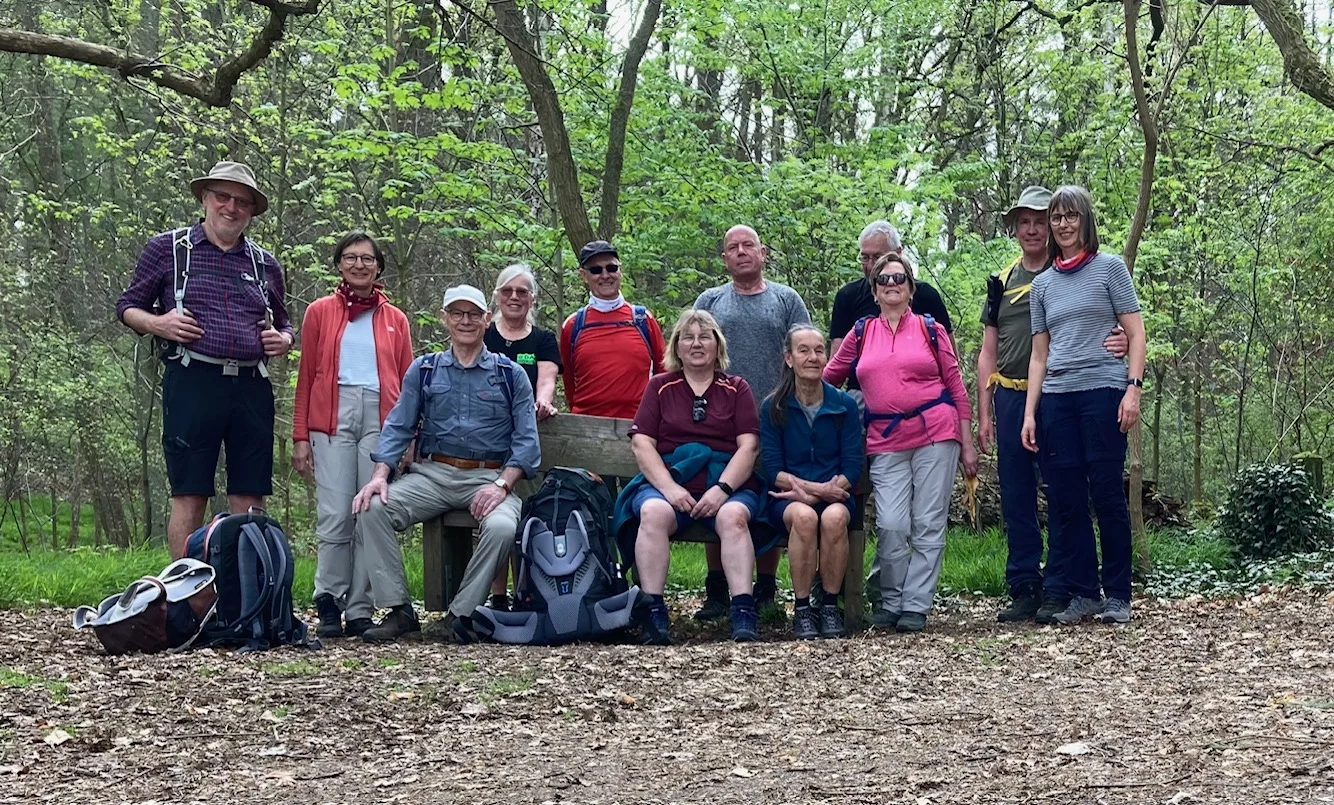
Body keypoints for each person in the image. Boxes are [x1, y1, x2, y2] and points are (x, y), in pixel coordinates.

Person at [116, 161, 294, 559]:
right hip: (192, 379)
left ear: (252, 211)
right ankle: (184, 599)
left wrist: (283, 339)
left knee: (250, 498)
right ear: (204, 198)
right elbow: (128, 307)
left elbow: (285, 324)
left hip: (251, 385)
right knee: (189, 493)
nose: (231, 208)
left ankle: (245, 598)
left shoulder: (265, 263)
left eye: (242, 202)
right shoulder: (167, 249)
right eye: (223, 197)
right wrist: (159, 323)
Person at [351, 285, 540, 644]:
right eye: (457, 313)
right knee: (371, 507)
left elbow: (527, 443)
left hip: (490, 477)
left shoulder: (510, 374)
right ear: (444, 319)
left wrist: (502, 485)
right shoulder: (424, 370)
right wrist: (380, 475)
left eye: (473, 314)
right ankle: (400, 611)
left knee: (502, 529)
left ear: (487, 319)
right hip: (432, 475)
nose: (465, 321)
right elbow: (398, 426)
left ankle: (460, 615)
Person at [978, 186, 1128, 624]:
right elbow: (988, 348)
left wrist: (1121, 352)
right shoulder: (1003, 281)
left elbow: (1126, 328)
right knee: (1019, 494)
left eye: (1041, 221)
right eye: (1024, 222)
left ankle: (1062, 585)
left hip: (1071, 393)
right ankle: (1026, 584)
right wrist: (984, 409)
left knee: (1069, 493)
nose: (1034, 229)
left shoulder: (1089, 270)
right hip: (1014, 394)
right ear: (1015, 228)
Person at [824, 252, 978, 633]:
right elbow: (827, 379)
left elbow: (956, 385)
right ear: (874, 291)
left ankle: (915, 604)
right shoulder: (861, 332)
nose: (891, 286)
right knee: (892, 522)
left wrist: (968, 440)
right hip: (885, 437)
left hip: (936, 433)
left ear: (911, 288)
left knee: (927, 522)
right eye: (883, 280)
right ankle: (890, 600)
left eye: (899, 279)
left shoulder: (930, 329)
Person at [1021, 185, 1147, 626]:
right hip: (1057, 400)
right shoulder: (1042, 286)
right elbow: (1039, 354)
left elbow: (1135, 333)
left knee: (1107, 495)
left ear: (1084, 220)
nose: (1063, 224)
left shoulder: (1110, 269)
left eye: (1071, 216)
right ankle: (1084, 592)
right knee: (1066, 501)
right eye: (1056, 217)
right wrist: (1030, 412)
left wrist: (1133, 388)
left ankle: (1117, 595)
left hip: (1103, 394)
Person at [614, 310, 767, 645]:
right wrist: (669, 489)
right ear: (677, 347)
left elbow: (749, 445)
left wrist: (722, 489)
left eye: (705, 336)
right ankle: (653, 612)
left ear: (717, 345)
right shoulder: (660, 387)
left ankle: (742, 609)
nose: (696, 344)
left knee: (734, 517)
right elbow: (642, 443)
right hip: (669, 481)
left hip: (725, 481)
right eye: (688, 337)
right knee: (653, 513)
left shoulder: (736, 388)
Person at [291, 231, 415, 639]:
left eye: (367, 258)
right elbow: (307, 374)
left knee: (369, 512)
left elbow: (408, 383)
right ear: (339, 264)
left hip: (382, 419)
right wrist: (300, 436)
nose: (359, 264)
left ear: (379, 266)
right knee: (334, 512)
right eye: (350, 257)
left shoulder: (395, 318)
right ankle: (329, 598)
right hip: (331, 416)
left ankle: (360, 609)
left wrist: (410, 437)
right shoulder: (320, 311)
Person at [692, 224, 812, 620]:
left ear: (763, 254)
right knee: (719, 491)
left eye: (749, 246)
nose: (741, 252)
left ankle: (765, 588)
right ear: (724, 258)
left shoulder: (785, 299)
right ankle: (716, 588)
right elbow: (694, 349)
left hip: (777, 414)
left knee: (770, 496)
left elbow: (804, 350)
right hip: (720, 416)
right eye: (733, 247)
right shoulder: (710, 300)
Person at [759, 324, 863, 639]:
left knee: (833, 518)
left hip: (837, 495)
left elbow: (853, 466)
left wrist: (826, 494)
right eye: (803, 350)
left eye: (819, 350)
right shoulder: (773, 406)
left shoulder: (843, 404)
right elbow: (772, 468)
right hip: (787, 499)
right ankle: (802, 609)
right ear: (789, 358)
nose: (813, 357)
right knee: (803, 517)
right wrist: (815, 491)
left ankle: (829, 605)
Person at [483, 263, 561, 611]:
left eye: (523, 291)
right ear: (497, 295)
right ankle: (496, 596)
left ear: (533, 298)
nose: (515, 297)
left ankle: (526, 592)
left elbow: (546, 379)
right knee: (493, 514)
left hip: (526, 439)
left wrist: (543, 399)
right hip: (485, 440)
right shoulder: (483, 334)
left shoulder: (542, 340)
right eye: (507, 291)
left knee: (527, 514)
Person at [829, 220, 955, 383]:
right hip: (863, 394)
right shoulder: (847, 297)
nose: (870, 265)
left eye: (877, 257)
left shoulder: (927, 296)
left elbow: (951, 364)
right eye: (865, 258)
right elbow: (835, 370)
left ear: (898, 253)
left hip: (923, 394)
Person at [560, 240, 667, 418]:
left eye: (611, 268)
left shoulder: (643, 319)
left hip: (639, 425)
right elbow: (569, 381)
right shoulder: (572, 325)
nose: (605, 275)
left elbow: (664, 373)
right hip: (587, 427)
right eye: (596, 270)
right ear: (584, 275)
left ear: (620, 271)